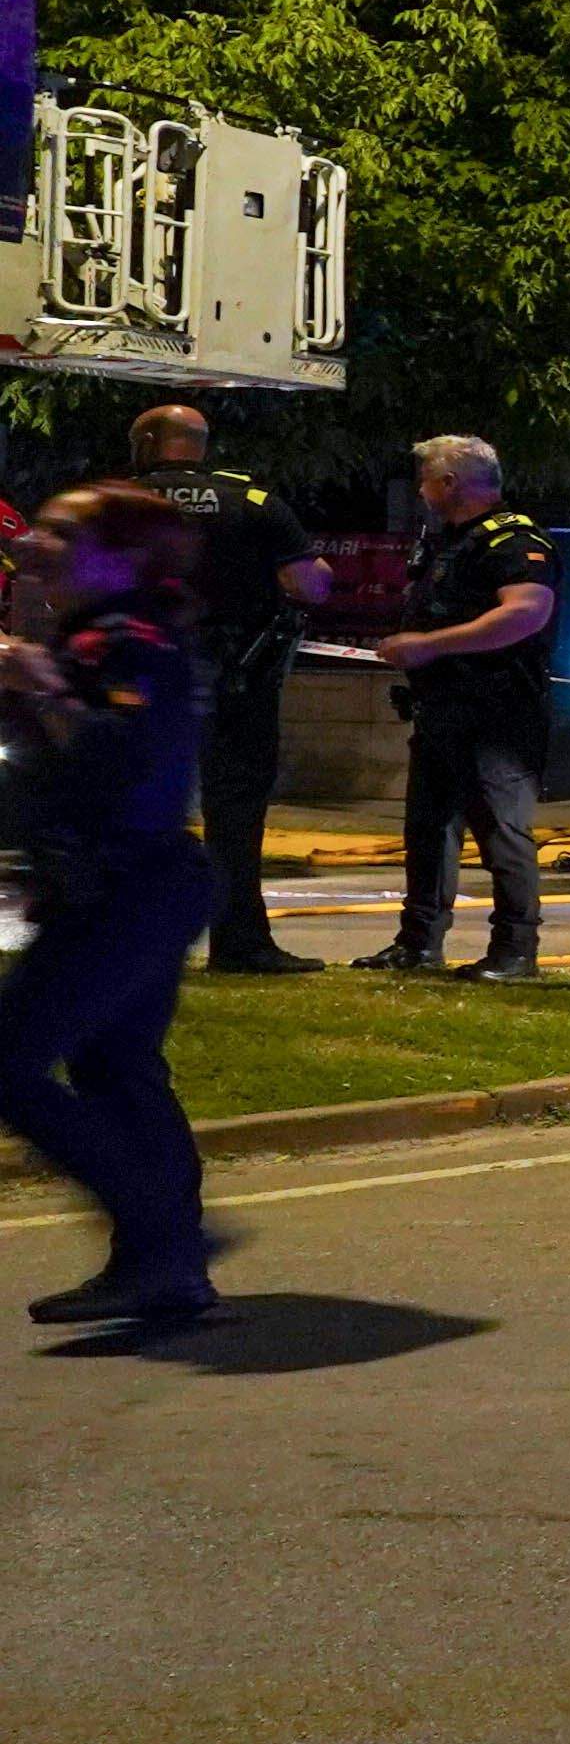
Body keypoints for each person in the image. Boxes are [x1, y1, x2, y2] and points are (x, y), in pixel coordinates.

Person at [3, 483, 222, 1325]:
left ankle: (167, 1240)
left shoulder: (133, 643)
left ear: (123, 557)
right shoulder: (95, 636)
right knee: (117, 1071)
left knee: (11, 1063)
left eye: (62, 533)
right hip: (112, 886)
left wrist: (42, 684)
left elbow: (120, 758)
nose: (34, 543)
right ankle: (164, 1271)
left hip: (130, 889)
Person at [124, 405, 331, 978]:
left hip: (136, 676)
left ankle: (125, 940)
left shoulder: (118, 501)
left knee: (134, 807)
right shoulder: (254, 504)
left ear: (147, 442)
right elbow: (310, 583)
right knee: (235, 814)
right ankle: (239, 942)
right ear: (201, 444)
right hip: (238, 676)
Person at [359, 435, 557, 981]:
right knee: (428, 831)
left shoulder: (513, 540)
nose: (420, 491)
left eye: (425, 480)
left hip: (496, 713)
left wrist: (428, 645)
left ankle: (515, 952)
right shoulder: (448, 542)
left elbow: (526, 613)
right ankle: (417, 944)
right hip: (440, 706)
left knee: (502, 834)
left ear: (449, 483)